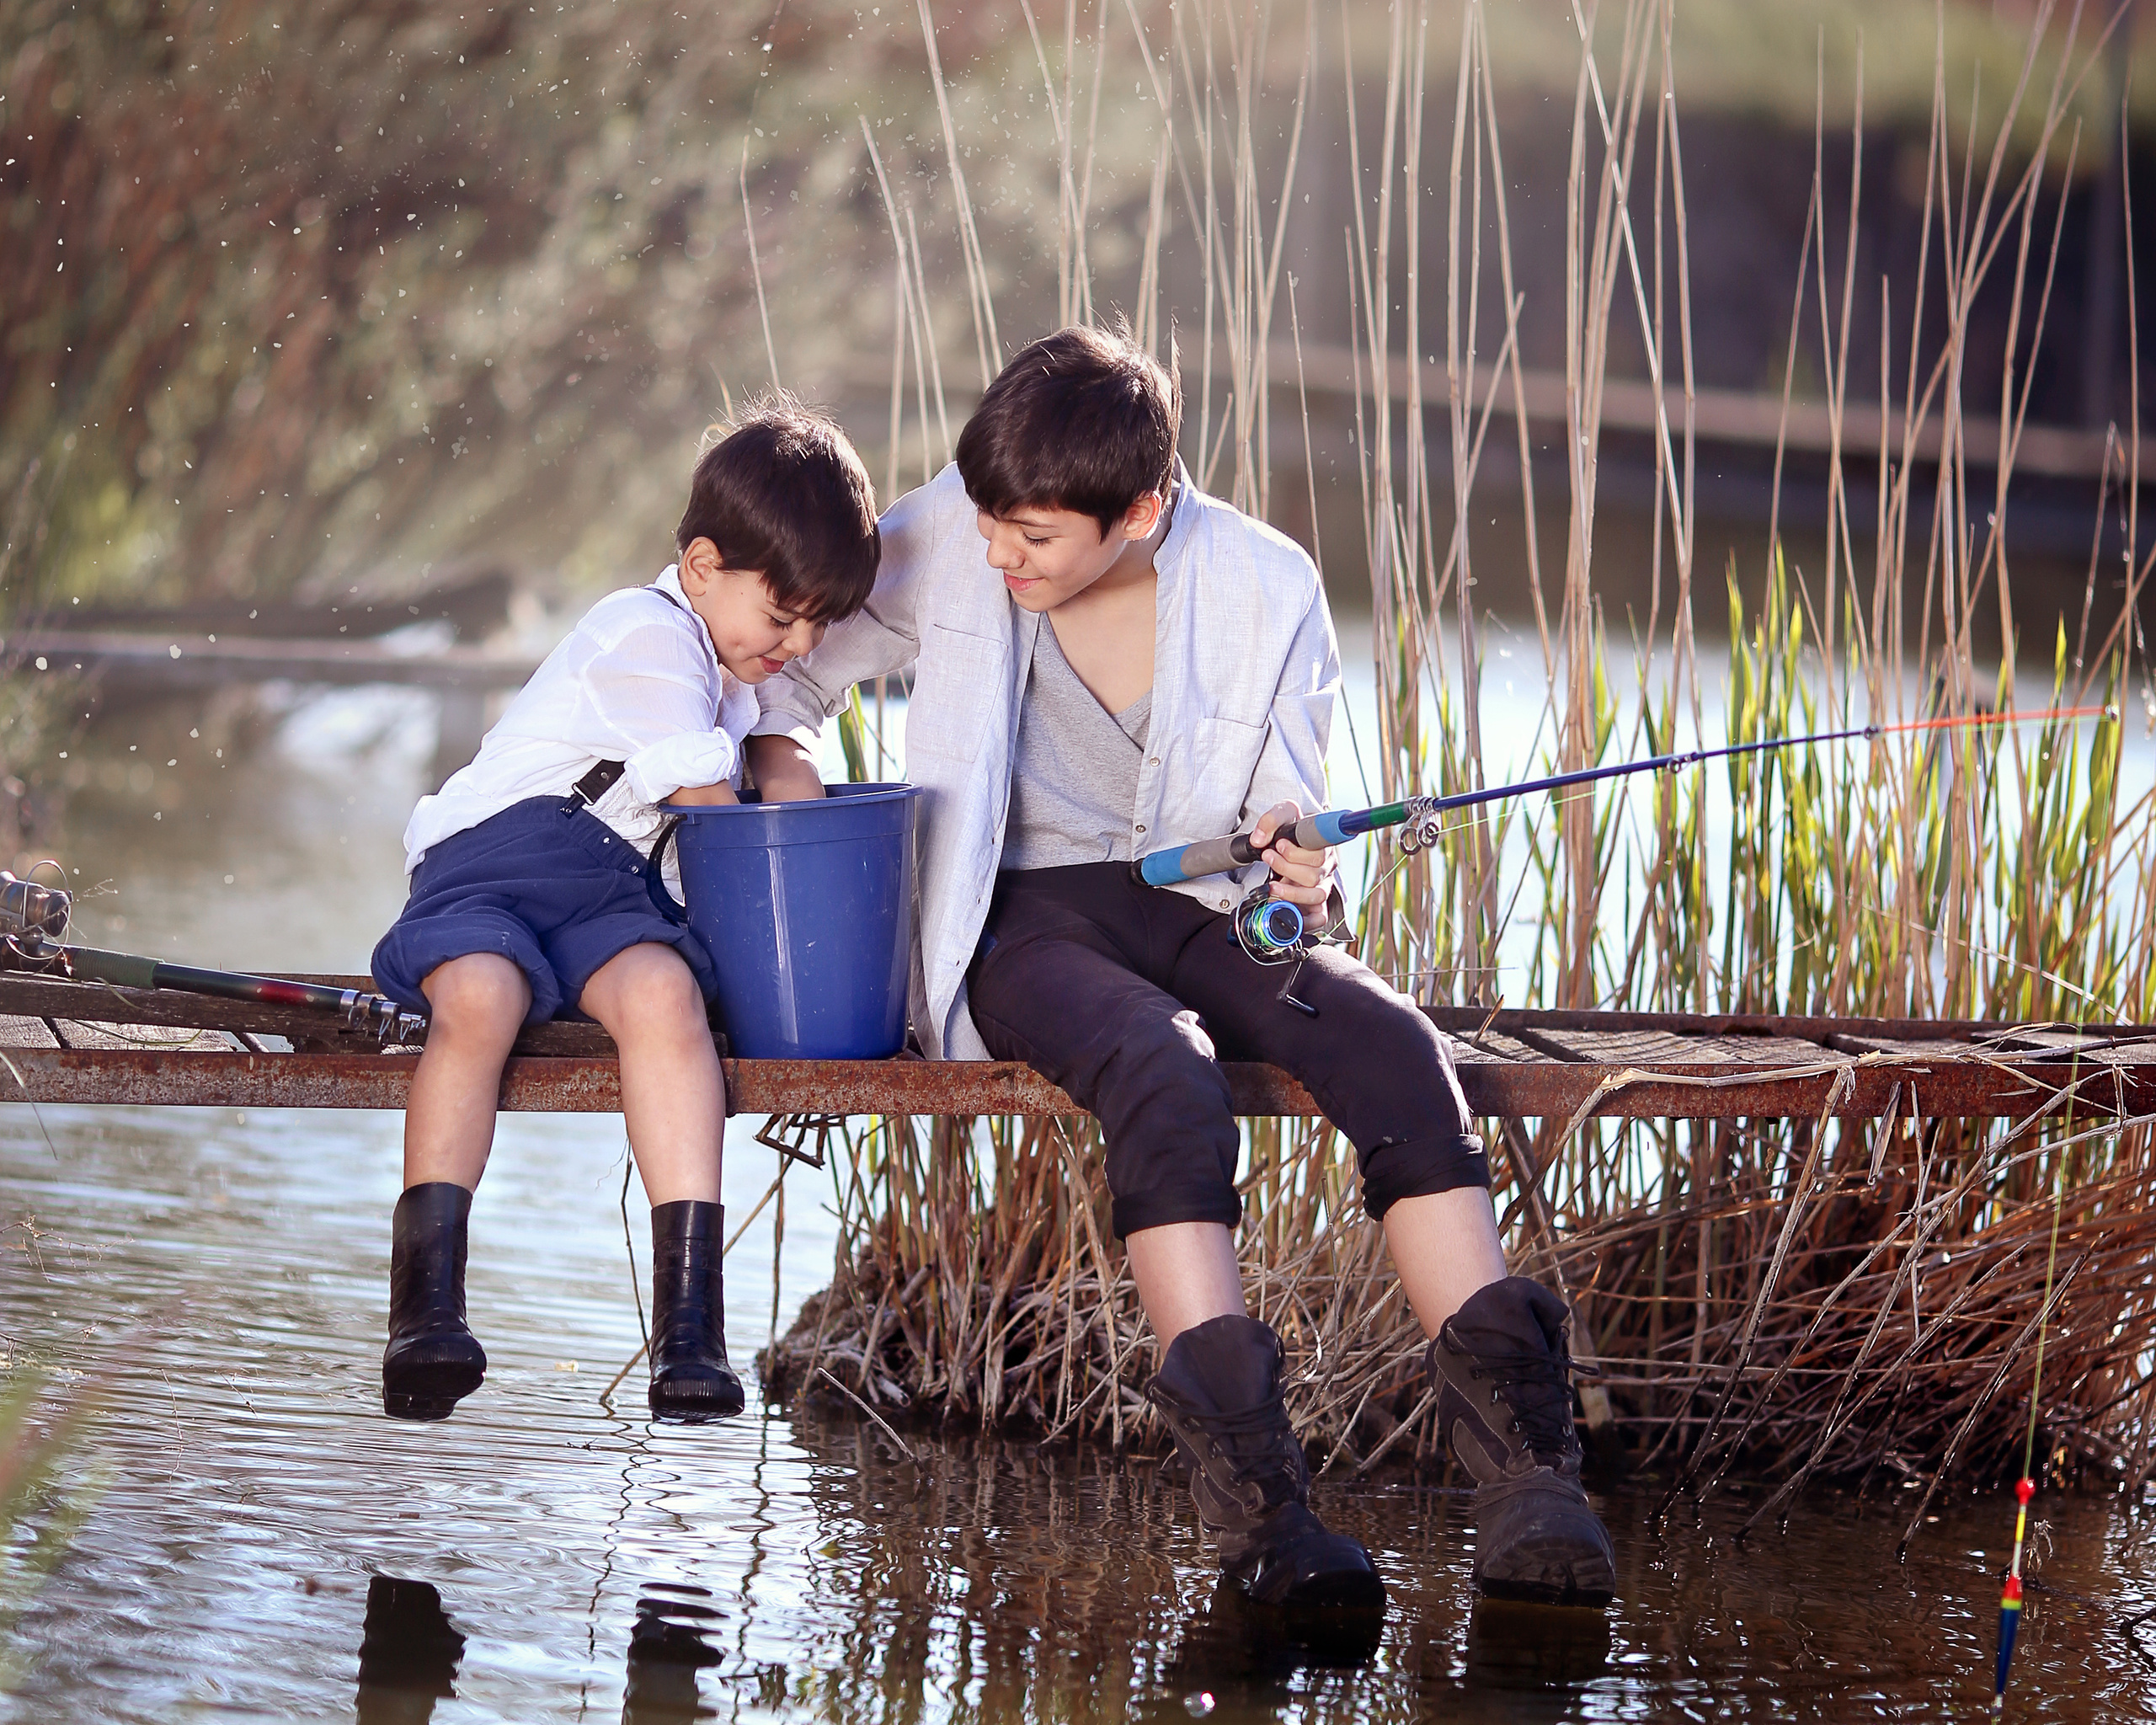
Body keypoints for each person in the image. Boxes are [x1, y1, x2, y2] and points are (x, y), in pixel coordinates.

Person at [745, 327, 1615, 1609]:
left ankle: (1531, 1483)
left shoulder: (1269, 582)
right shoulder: (950, 535)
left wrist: (1299, 853)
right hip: (1020, 920)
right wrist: (795, 798)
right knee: (1163, 1065)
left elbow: (1290, 805)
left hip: (1211, 907)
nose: (998, 554)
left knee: (1394, 1045)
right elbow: (781, 674)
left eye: (1033, 536)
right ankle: (1264, 1516)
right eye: (989, 522)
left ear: (1141, 510)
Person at [369, 400, 880, 1425]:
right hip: (494, 864)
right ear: (701, 567)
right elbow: (713, 811)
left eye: (819, 624)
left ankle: (690, 1330)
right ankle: (425, 1309)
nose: (799, 643)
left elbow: (780, 776)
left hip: (606, 895)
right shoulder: (645, 635)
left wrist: (793, 764)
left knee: (663, 997)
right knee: (481, 996)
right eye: (783, 617)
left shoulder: (735, 673)